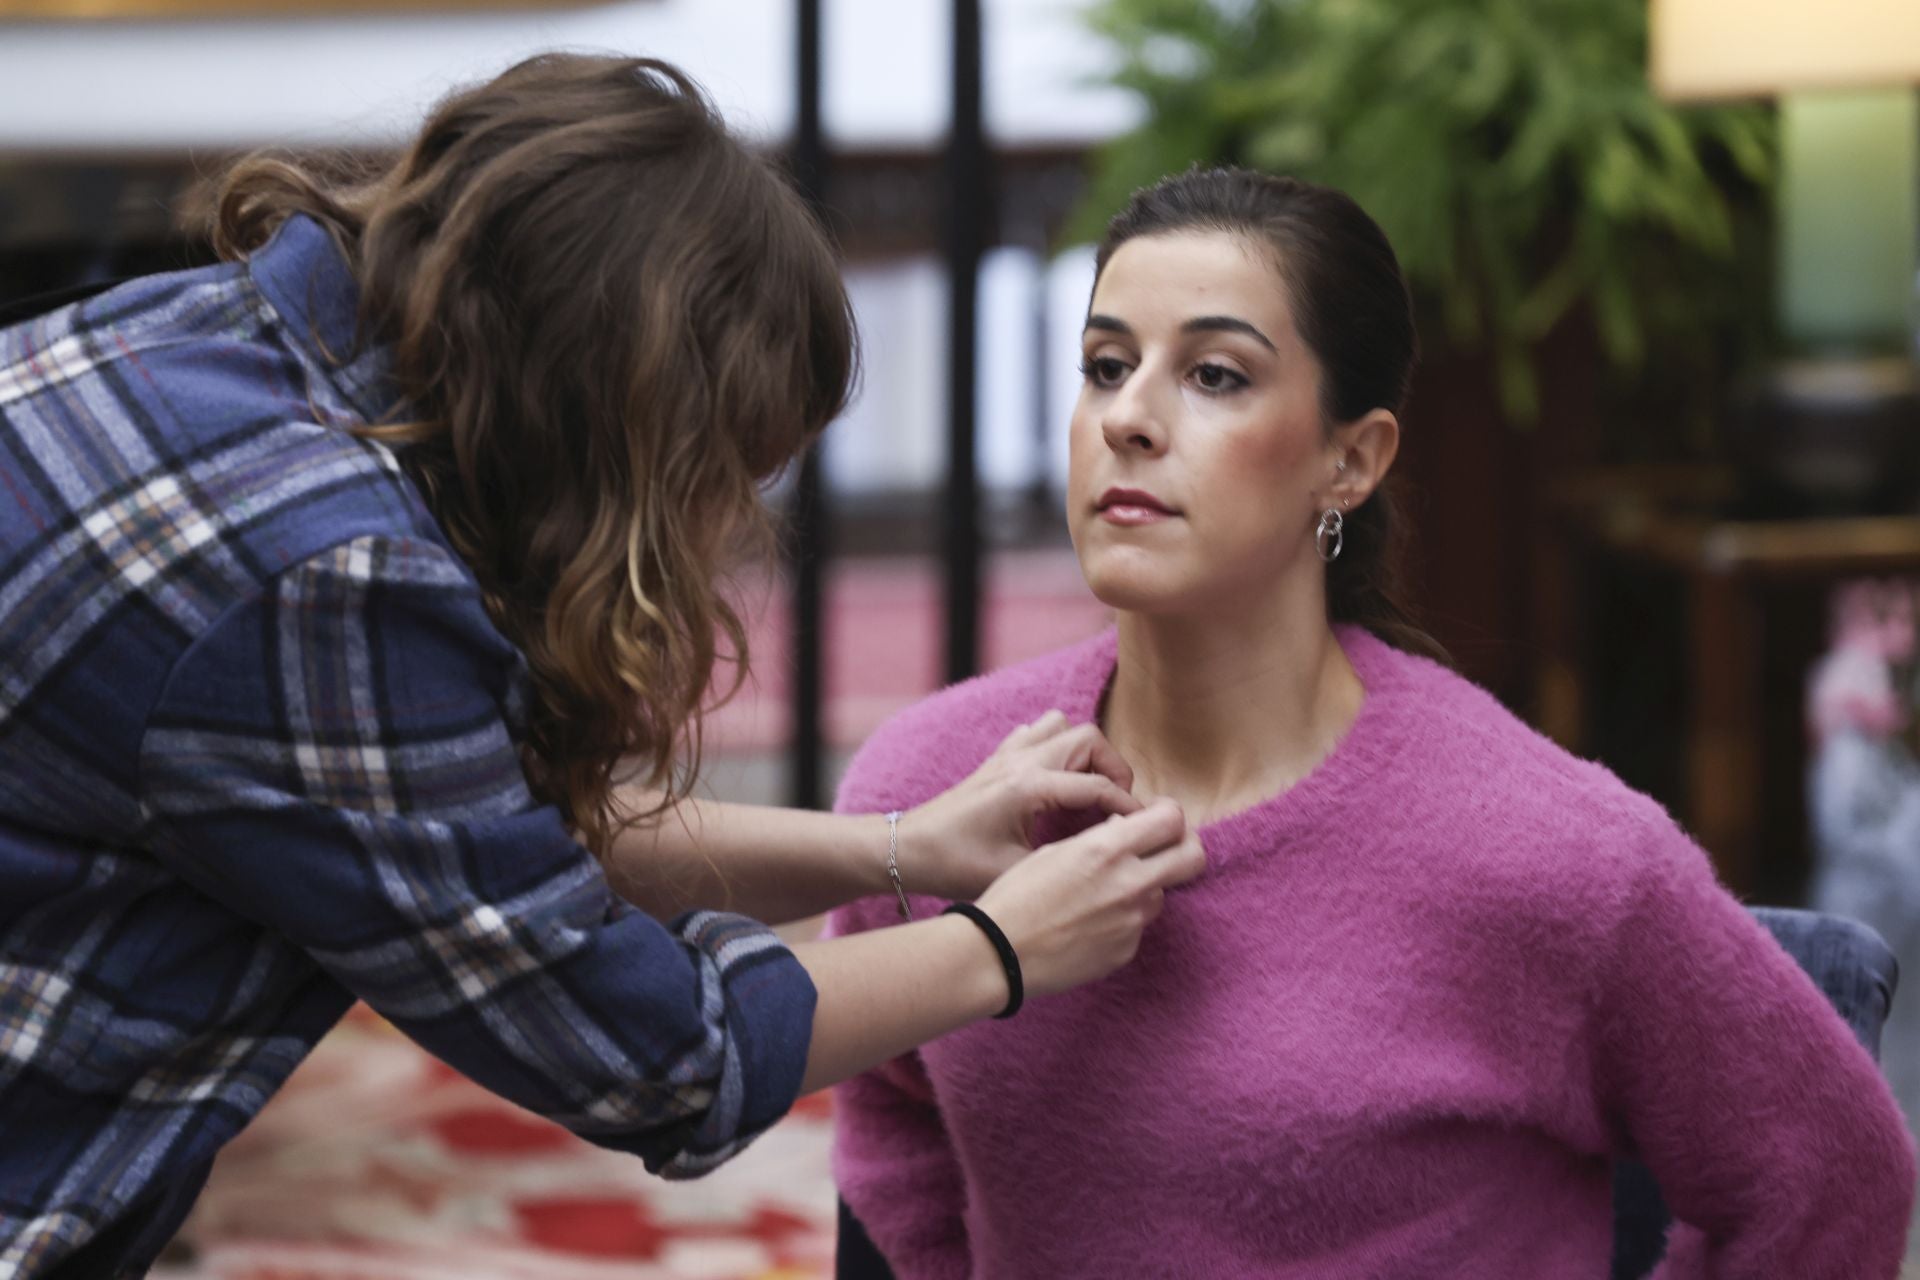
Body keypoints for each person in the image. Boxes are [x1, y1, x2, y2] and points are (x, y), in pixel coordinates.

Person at [0, 54, 1205, 1279]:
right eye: (723, 472)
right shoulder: (326, 577)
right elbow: (652, 1054)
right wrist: (999, 951)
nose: (728, 525)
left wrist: (904, 848)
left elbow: (479, 845)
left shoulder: (197, 340)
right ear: (628, 428)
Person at [828, 167, 1917, 1278]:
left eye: (1213, 374)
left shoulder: (1548, 850)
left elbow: (1831, 1175)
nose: (1127, 417)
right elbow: (884, 1091)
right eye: (1105, 366)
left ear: (1350, 459)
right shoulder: (929, 791)